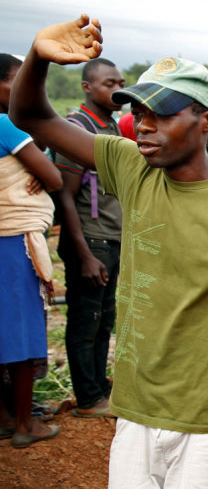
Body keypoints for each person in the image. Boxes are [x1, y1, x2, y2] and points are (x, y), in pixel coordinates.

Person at [9, 16, 208, 486]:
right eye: (138, 113)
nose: (143, 126)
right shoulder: (130, 166)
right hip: (135, 410)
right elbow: (32, 116)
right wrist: (37, 56)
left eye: (161, 114)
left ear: (207, 118)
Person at [53, 58, 125, 417]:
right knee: (85, 319)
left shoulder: (110, 126)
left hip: (111, 238)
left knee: (104, 318)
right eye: (108, 83)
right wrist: (83, 255)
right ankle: (87, 398)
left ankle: (99, 386)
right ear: (87, 87)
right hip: (91, 241)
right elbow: (64, 194)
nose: (117, 90)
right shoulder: (77, 129)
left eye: (120, 83)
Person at [0, 53, 63, 447]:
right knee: (22, 332)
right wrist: (37, 170)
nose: (23, 91)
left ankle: (6, 415)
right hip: (14, 244)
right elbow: (54, 176)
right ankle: (25, 423)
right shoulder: (6, 125)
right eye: (16, 81)